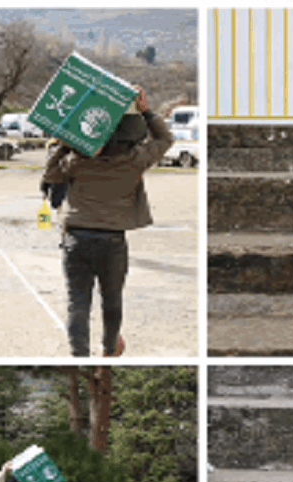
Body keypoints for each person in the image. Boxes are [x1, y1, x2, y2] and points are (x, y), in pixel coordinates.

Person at [42, 85, 174, 358]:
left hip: (76, 238)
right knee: (111, 300)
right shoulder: (135, 160)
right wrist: (147, 111)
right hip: (113, 240)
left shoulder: (78, 160)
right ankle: (109, 348)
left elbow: (50, 175)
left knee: (77, 303)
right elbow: (165, 139)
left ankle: (79, 355)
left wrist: (69, 138)